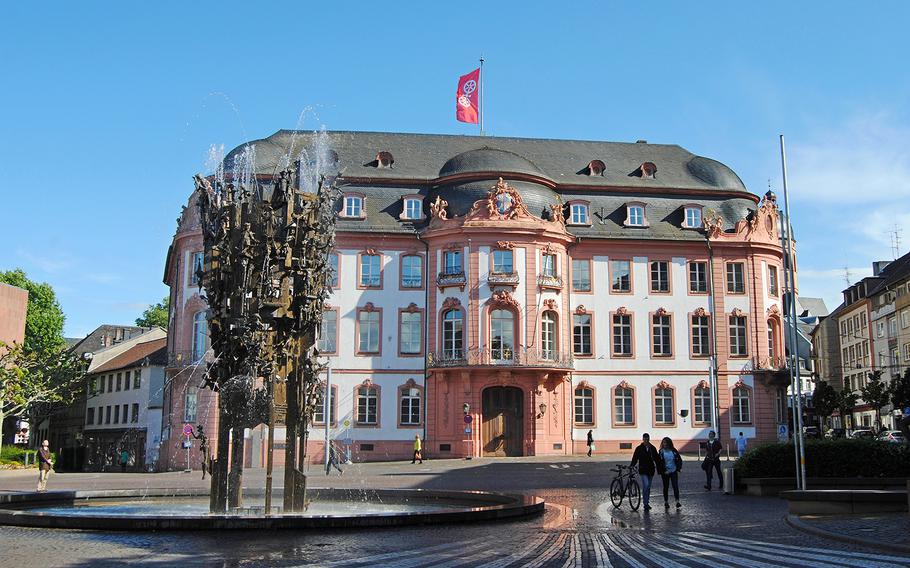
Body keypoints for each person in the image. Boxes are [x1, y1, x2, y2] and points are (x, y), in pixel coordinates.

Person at [630, 433, 660, 511]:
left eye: (647, 439)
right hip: (643, 470)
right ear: (643, 439)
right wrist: (632, 466)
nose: (646, 440)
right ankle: (645, 503)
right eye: (645, 439)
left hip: (651, 470)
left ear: (649, 439)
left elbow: (657, 459)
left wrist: (660, 468)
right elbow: (635, 458)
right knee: (646, 485)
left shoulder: (652, 448)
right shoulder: (639, 448)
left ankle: (646, 502)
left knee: (648, 487)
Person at [657, 437, 683, 509]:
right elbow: (659, 463)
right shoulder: (661, 452)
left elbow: (679, 459)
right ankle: (666, 502)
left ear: (669, 443)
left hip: (673, 470)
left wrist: (679, 468)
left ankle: (677, 501)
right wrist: (663, 471)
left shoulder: (673, 450)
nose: (664, 444)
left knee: (675, 486)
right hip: (665, 472)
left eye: (665, 442)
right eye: (663, 442)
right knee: (666, 487)